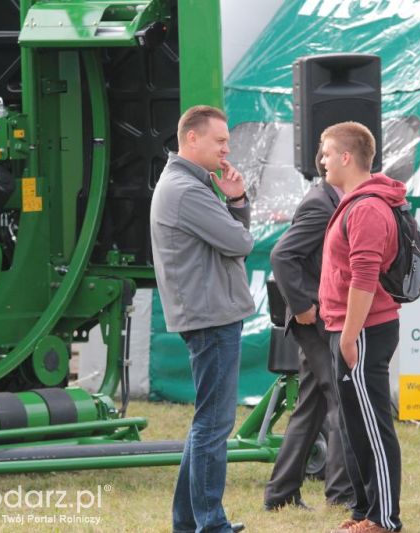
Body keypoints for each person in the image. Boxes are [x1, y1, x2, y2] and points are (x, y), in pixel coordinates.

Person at [150, 105, 254, 533]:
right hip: (211, 318)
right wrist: (237, 204)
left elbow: (232, 239)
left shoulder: (186, 184)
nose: (227, 149)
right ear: (192, 139)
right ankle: (210, 526)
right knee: (214, 425)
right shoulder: (187, 191)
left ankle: (188, 521)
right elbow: (240, 241)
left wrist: (236, 200)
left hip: (208, 315)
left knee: (207, 422)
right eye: (220, 141)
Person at [318, 122, 407, 533]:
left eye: (326, 152)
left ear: (346, 157)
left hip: (365, 330)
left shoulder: (368, 207)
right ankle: (362, 511)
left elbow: (365, 276)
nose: (322, 160)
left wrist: (351, 335)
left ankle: (384, 518)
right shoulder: (353, 201)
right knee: (354, 423)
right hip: (348, 328)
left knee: (373, 424)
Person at [264, 150, 355, 511]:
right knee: (341, 398)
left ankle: (280, 494)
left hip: (320, 318)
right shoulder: (320, 204)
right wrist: (302, 306)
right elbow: (282, 256)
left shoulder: (332, 199)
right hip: (313, 320)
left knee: (311, 407)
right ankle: (341, 494)